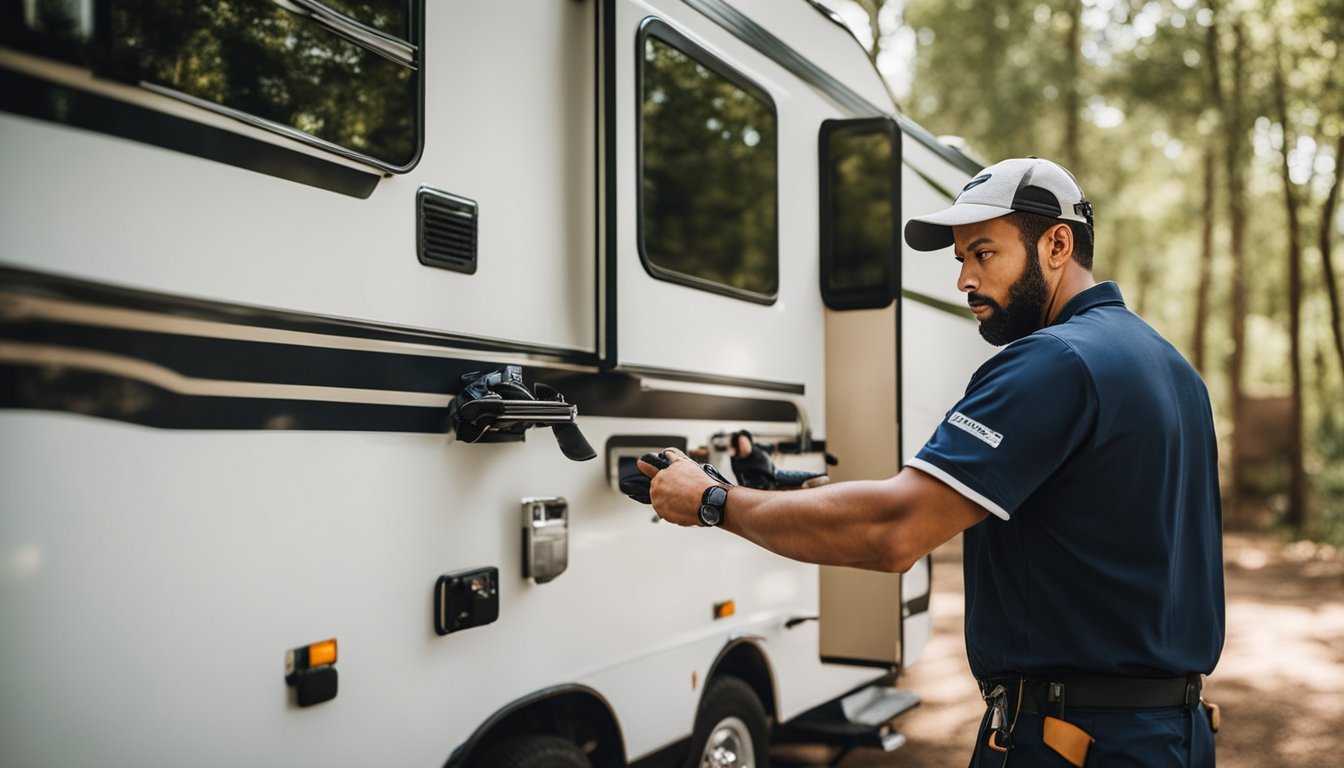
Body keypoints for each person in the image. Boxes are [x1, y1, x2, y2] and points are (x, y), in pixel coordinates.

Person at [638, 157, 1224, 767]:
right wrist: (781, 488)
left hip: (1072, 742)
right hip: (1172, 736)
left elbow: (894, 530)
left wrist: (713, 501)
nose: (965, 280)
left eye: (984, 253)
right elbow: (1057, 514)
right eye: (960, 260)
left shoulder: (1052, 362)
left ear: (1056, 244)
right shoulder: (1172, 370)